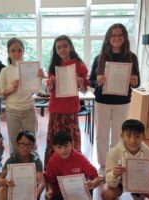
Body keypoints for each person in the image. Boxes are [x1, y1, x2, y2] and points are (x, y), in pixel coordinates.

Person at [89, 23, 140, 176]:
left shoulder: (132, 57)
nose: (116, 38)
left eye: (120, 35)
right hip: (102, 101)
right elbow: (91, 81)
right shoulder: (100, 58)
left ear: (124, 37)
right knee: (101, 134)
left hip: (122, 102)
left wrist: (134, 81)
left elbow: (138, 82)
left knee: (119, 135)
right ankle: (104, 165)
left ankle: (114, 164)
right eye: (113, 35)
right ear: (108, 38)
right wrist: (97, 80)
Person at [44, 35, 88, 167]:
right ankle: (54, 169)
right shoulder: (53, 66)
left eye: (65, 46)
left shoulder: (80, 65)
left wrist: (81, 83)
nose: (62, 50)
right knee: (56, 141)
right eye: (58, 47)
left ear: (71, 47)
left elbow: (85, 91)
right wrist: (50, 84)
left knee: (71, 141)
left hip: (71, 110)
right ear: (55, 50)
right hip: (56, 109)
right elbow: (48, 92)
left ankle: (73, 168)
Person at [101, 119, 149, 200]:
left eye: (137, 136)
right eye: (128, 136)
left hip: (143, 184)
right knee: (107, 193)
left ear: (144, 137)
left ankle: (139, 195)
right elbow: (109, 182)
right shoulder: (113, 153)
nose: (132, 140)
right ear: (122, 135)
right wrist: (114, 174)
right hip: (120, 183)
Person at [0, 37, 44, 154]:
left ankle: (32, 168)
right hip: (12, 111)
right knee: (14, 143)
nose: (16, 53)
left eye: (19, 50)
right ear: (8, 52)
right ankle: (15, 169)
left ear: (23, 51)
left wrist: (40, 78)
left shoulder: (31, 68)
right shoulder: (5, 71)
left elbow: (40, 90)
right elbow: (0, 93)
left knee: (30, 143)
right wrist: (12, 88)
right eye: (13, 50)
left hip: (29, 109)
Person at [45, 132, 100, 200]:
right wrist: (50, 190)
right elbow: (49, 180)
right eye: (59, 147)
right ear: (54, 148)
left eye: (66, 146)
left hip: (80, 192)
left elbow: (96, 178)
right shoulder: (52, 161)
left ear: (72, 144)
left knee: (89, 190)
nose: (63, 150)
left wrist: (92, 184)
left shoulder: (80, 158)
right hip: (60, 192)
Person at [0, 130, 45, 200]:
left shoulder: (36, 161)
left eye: (29, 144)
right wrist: (5, 181)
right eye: (22, 144)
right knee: (1, 189)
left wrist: (35, 195)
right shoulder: (11, 160)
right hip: (15, 192)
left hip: (30, 193)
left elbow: (41, 183)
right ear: (17, 145)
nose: (25, 147)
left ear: (33, 146)